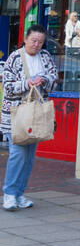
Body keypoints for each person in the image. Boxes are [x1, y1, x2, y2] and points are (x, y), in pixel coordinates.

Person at [1, 25, 58, 210]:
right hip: (16, 115)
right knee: (17, 154)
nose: (37, 45)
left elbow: (54, 80)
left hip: (36, 114)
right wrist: (27, 83)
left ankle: (20, 194)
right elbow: (8, 87)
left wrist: (45, 80)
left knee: (29, 157)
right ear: (25, 39)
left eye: (41, 42)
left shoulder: (45, 57)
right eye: (34, 40)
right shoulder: (15, 58)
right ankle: (9, 194)